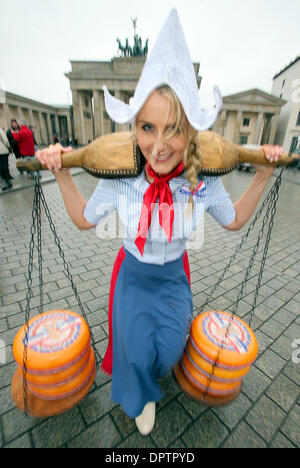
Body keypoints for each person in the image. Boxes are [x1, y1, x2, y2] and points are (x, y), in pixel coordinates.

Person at [36, 10, 283, 436]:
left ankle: (155, 373)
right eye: (148, 128)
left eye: (174, 129)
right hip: (132, 276)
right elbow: (81, 219)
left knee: (169, 347)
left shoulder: (202, 181)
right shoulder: (121, 179)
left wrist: (262, 172)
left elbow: (235, 220)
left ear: (191, 132)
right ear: (135, 129)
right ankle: (139, 395)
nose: (160, 144)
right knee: (134, 350)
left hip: (172, 278)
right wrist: (59, 171)